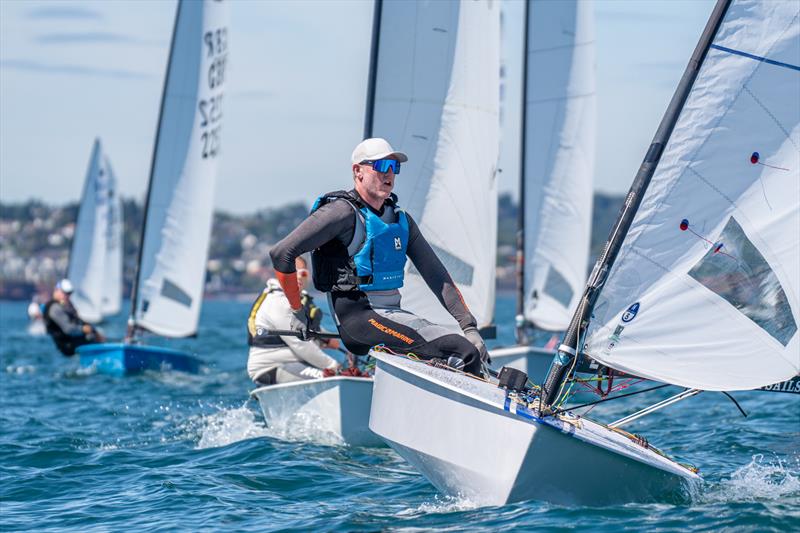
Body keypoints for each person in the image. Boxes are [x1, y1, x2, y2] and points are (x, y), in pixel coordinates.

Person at [268, 138, 489, 377]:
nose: (390, 174)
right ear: (358, 172)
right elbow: (282, 253)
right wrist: (297, 311)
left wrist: (469, 326)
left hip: (393, 314)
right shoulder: (340, 213)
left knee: (469, 350)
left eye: (395, 168)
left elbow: (437, 275)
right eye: (382, 166)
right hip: (359, 319)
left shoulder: (400, 220)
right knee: (462, 352)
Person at [247, 256, 341, 385]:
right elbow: (299, 343)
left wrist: (326, 339)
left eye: (302, 273)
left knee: (338, 375)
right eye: (292, 272)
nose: (298, 276)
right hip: (271, 366)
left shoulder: (299, 299)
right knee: (334, 378)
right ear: (280, 275)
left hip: (294, 362)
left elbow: (302, 327)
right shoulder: (278, 301)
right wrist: (333, 366)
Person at [43, 279, 104, 356]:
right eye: (65, 293)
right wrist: (83, 329)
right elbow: (68, 329)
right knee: (91, 337)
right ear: (57, 290)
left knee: (98, 333)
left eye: (69, 293)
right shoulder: (55, 308)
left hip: (74, 342)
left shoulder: (65, 304)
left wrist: (93, 330)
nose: (68, 296)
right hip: (68, 347)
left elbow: (77, 319)